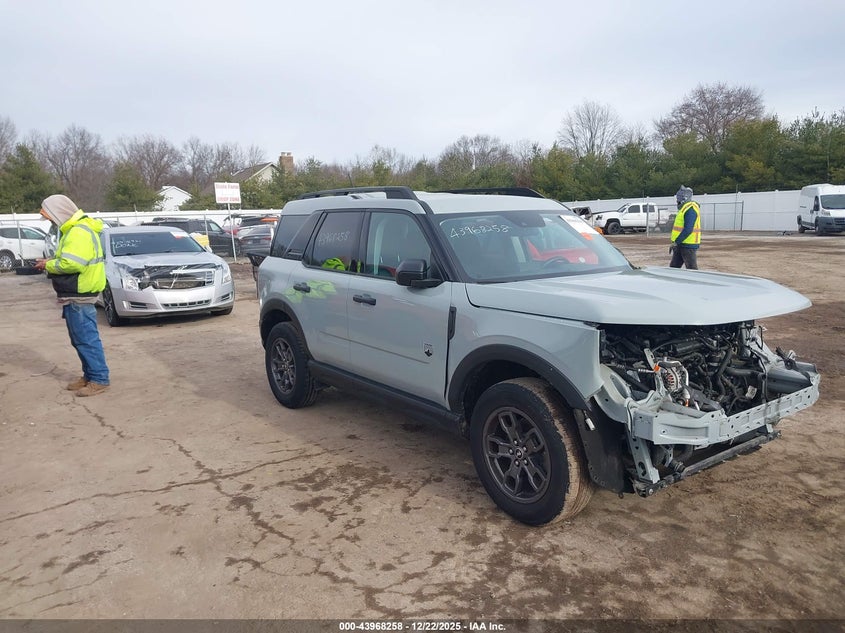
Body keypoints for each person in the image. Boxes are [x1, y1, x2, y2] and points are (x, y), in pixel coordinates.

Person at [34, 194, 110, 397]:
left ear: (58, 213)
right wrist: (52, 260)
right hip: (77, 293)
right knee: (80, 338)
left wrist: (47, 264)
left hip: (80, 293)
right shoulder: (76, 231)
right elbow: (71, 258)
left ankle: (99, 379)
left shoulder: (77, 232)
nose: (50, 221)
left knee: (85, 339)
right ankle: (90, 375)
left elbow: (73, 264)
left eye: (49, 217)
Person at [669, 185, 701, 269]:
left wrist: (676, 242)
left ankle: (694, 282)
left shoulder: (690, 209)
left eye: (679, 198)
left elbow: (688, 229)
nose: (677, 201)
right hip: (680, 244)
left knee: (691, 269)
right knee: (673, 268)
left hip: (688, 245)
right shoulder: (684, 209)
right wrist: (676, 243)